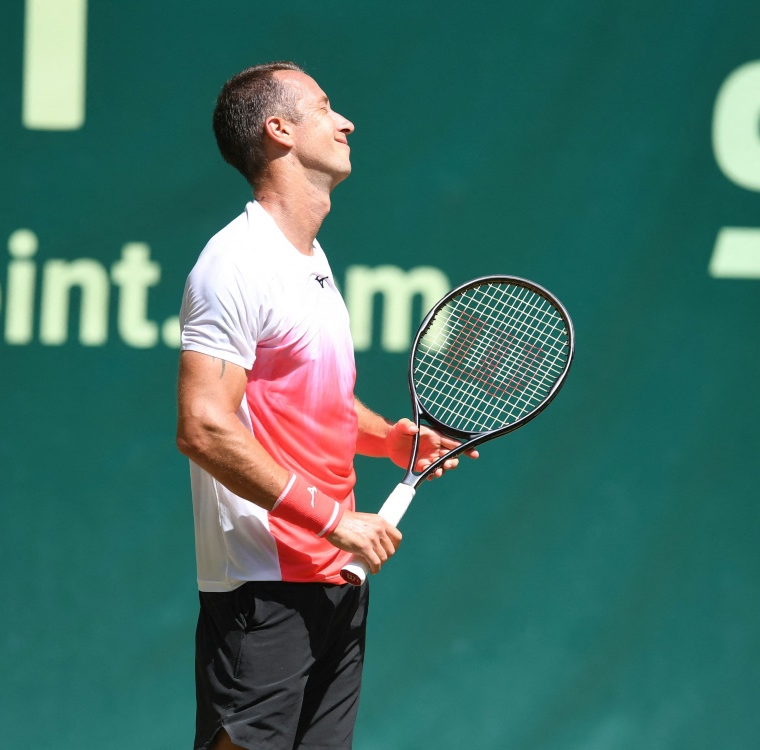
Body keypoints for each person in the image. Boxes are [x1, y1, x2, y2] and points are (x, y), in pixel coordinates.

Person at [176, 61, 474, 750]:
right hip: (264, 586)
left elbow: (313, 396)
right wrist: (331, 519)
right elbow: (203, 427)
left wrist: (389, 440)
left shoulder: (307, 259)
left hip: (334, 578)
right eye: (324, 107)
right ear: (279, 130)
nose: (345, 121)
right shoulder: (234, 262)